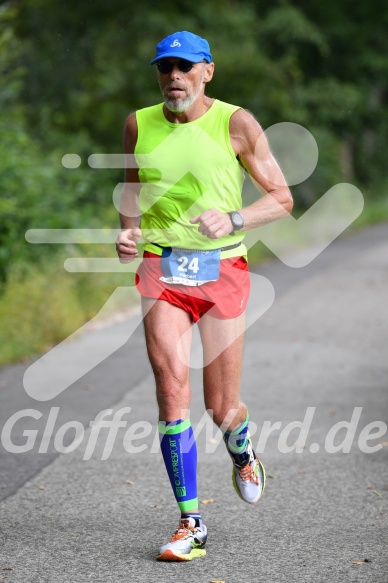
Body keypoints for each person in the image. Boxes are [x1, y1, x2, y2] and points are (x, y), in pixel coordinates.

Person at [115, 30, 293, 561]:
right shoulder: (137, 123)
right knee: (172, 390)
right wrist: (127, 230)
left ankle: (242, 450)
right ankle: (191, 523)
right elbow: (130, 187)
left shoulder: (235, 123)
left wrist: (235, 217)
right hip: (162, 268)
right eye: (165, 68)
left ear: (207, 71)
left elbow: (282, 198)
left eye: (185, 67)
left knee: (221, 408)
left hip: (222, 272)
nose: (174, 77)